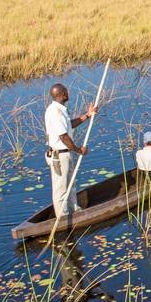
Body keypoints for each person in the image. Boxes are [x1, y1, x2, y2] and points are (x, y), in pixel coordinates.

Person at [44, 83, 98, 219]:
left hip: (65, 154)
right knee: (60, 189)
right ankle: (62, 218)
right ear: (62, 94)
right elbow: (63, 136)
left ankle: (75, 210)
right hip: (59, 156)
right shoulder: (55, 112)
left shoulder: (60, 109)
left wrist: (87, 115)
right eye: (66, 91)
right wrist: (79, 150)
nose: (68, 93)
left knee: (70, 184)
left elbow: (68, 125)